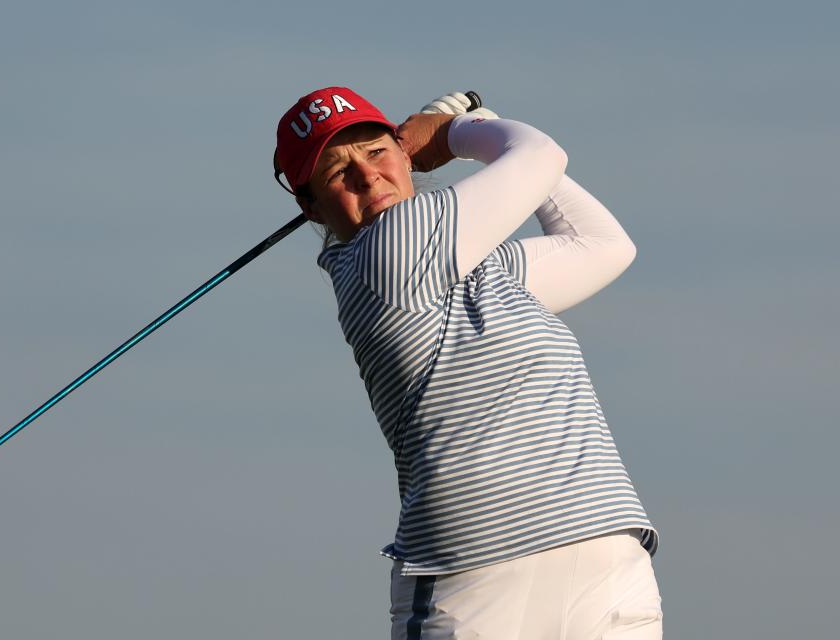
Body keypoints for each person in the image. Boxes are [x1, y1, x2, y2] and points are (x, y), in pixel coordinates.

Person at [274, 87, 662, 639]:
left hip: (602, 556)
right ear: (311, 207)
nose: (366, 175)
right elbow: (541, 157)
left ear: (404, 156)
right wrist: (457, 134)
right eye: (337, 171)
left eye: (376, 151)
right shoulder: (385, 253)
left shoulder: (476, 269)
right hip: (478, 577)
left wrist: (483, 123)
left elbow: (601, 243)